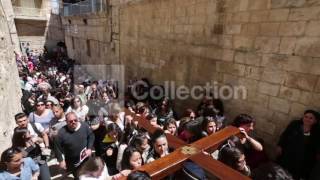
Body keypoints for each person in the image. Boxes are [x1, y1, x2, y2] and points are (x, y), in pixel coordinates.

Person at [276, 110, 319, 180]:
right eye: (306, 117)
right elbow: (285, 135)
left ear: (315, 121)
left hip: (302, 160)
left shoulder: (317, 132)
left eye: (311, 118)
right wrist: (280, 145)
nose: (307, 119)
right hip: (287, 153)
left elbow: (316, 148)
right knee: (280, 172)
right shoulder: (295, 124)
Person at [54, 112, 95, 179]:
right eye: (70, 121)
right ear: (66, 122)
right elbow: (57, 148)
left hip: (86, 158)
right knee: (79, 177)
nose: (73, 122)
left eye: (75, 120)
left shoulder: (84, 126)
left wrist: (89, 148)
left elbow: (91, 136)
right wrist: (61, 160)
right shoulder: (61, 133)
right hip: (73, 162)